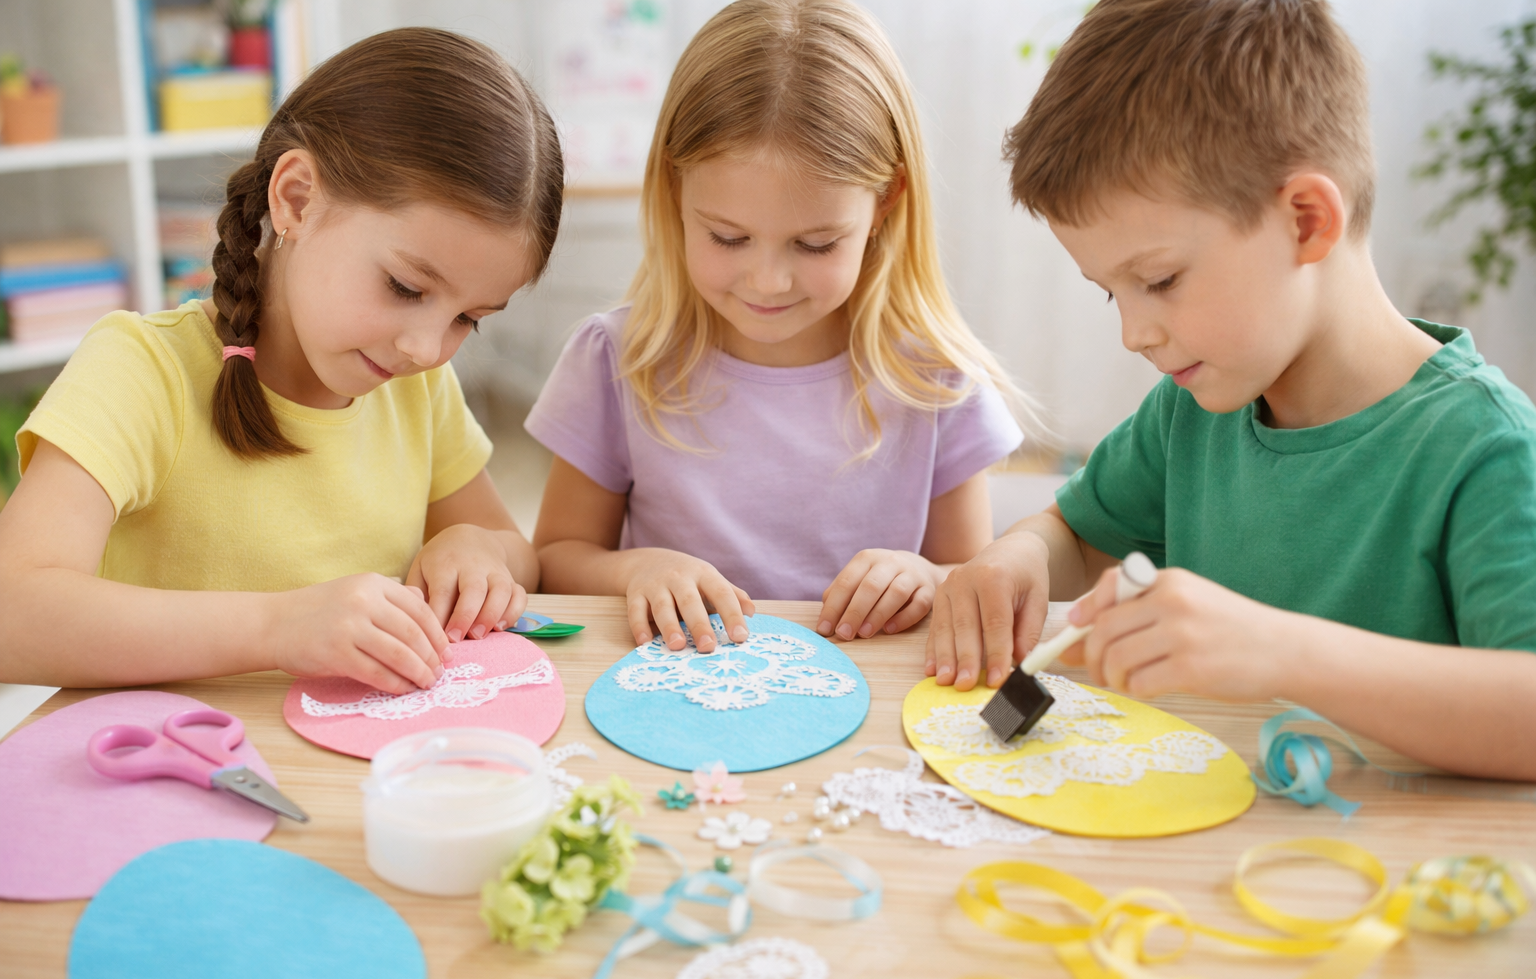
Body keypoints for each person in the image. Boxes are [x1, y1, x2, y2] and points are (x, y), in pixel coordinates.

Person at [926, 0, 1536, 780]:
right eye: (1113, 294)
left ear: (1307, 221)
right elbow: (1078, 536)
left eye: (1159, 280)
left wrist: (1279, 651)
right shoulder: (1193, 410)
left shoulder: (1482, 448)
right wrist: (1015, 560)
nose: (1135, 333)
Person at [0, 29, 563, 693]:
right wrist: (278, 627)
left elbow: (518, 553)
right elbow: (15, 617)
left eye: (468, 319)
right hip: (173, 776)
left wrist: (479, 551)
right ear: (296, 199)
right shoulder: (140, 369)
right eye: (406, 288)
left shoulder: (418, 390)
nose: (426, 348)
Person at [529, 0, 1029, 654]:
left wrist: (925, 579)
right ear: (674, 191)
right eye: (729, 237)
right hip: (670, 698)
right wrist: (637, 569)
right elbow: (557, 558)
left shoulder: (937, 381)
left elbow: (969, 580)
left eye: (816, 244)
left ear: (886, 203)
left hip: (865, 708)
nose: (768, 281)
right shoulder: (615, 360)